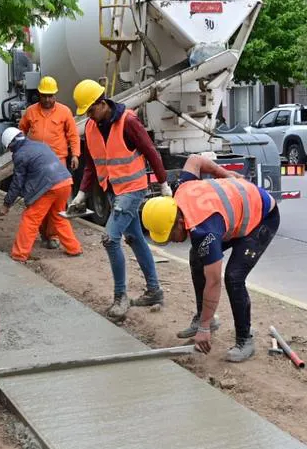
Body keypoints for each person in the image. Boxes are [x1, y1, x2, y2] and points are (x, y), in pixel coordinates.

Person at [141, 154, 280, 363]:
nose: (173, 241)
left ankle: (245, 339)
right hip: (230, 214)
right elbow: (195, 160)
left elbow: (213, 280)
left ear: (178, 221)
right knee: (197, 257)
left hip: (261, 217)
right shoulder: (181, 189)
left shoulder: (204, 232)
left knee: (233, 276)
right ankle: (204, 319)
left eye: (170, 235)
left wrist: (204, 330)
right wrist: (226, 174)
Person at [70, 80, 168, 321]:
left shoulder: (129, 122)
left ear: (102, 104)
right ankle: (154, 290)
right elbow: (93, 164)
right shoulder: (92, 128)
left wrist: (164, 185)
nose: (89, 116)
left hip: (132, 190)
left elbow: (150, 151)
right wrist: (81, 194)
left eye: (91, 110)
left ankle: (120, 297)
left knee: (110, 239)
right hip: (113, 191)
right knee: (134, 238)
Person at [0, 127, 83, 262]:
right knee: (59, 217)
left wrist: (7, 204)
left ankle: (19, 254)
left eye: (9, 148)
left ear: (11, 144)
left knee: (30, 219)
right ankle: (74, 248)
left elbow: (17, 182)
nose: (10, 151)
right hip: (65, 182)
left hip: (49, 186)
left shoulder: (20, 155)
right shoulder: (40, 145)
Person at [18, 76, 80, 249]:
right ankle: (43, 233)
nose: (47, 99)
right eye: (44, 95)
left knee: (55, 203)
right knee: (38, 199)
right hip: (36, 164)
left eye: (50, 95)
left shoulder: (64, 112)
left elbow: (73, 135)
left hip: (57, 162)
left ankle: (52, 235)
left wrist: (75, 154)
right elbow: (21, 131)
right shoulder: (30, 111)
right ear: (39, 94)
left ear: (55, 95)